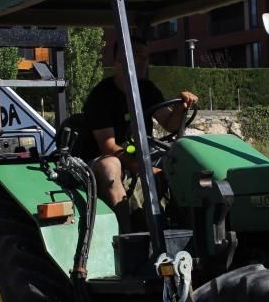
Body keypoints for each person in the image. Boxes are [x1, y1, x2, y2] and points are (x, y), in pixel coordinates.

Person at [82, 40, 198, 231]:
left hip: (140, 151)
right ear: (119, 60)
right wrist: (146, 169)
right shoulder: (101, 96)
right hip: (104, 157)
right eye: (138, 56)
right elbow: (108, 146)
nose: (144, 62)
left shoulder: (147, 89)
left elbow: (170, 124)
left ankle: (188, 227)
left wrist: (180, 108)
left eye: (146, 57)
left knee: (185, 159)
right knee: (110, 166)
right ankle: (126, 236)